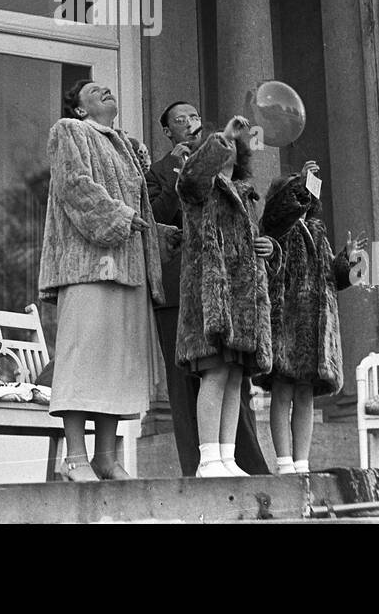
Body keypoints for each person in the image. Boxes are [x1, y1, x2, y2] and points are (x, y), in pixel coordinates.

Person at [38, 80, 171, 482]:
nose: (106, 92)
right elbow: (74, 184)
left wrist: (158, 233)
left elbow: (139, 208)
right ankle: (75, 458)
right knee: (83, 362)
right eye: (95, 92)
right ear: (79, 109)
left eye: (109, 90)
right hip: (87, 264)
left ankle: (105, 458)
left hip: (127, 268)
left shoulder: (126, 148)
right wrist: (117, 218)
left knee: (115, 365)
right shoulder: (69, 131)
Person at [146, 100, 269, 477]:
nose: (189, 123)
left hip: (238, 300)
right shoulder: (189, 180)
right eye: (179, 120)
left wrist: (269, 248)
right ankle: (205, 460)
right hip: (199, 294)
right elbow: (181, 191)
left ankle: (228, 458)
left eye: (194, 117)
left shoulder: (243, 192)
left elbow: (252, 241)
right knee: (208, 378)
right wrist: (222, 139)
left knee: (232, 378)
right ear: (167, 131)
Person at [256, 161, 364, 474]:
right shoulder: (278, 227)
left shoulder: (316, 230)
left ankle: (301, 462)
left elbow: (334, 278)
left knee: (305, 395)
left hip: (316, 328)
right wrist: (306, 178)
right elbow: (282, 210)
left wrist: (348, 259)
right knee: (282, 391)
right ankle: (284, 461)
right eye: (297, 192)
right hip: (287, 321)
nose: (304, 199)